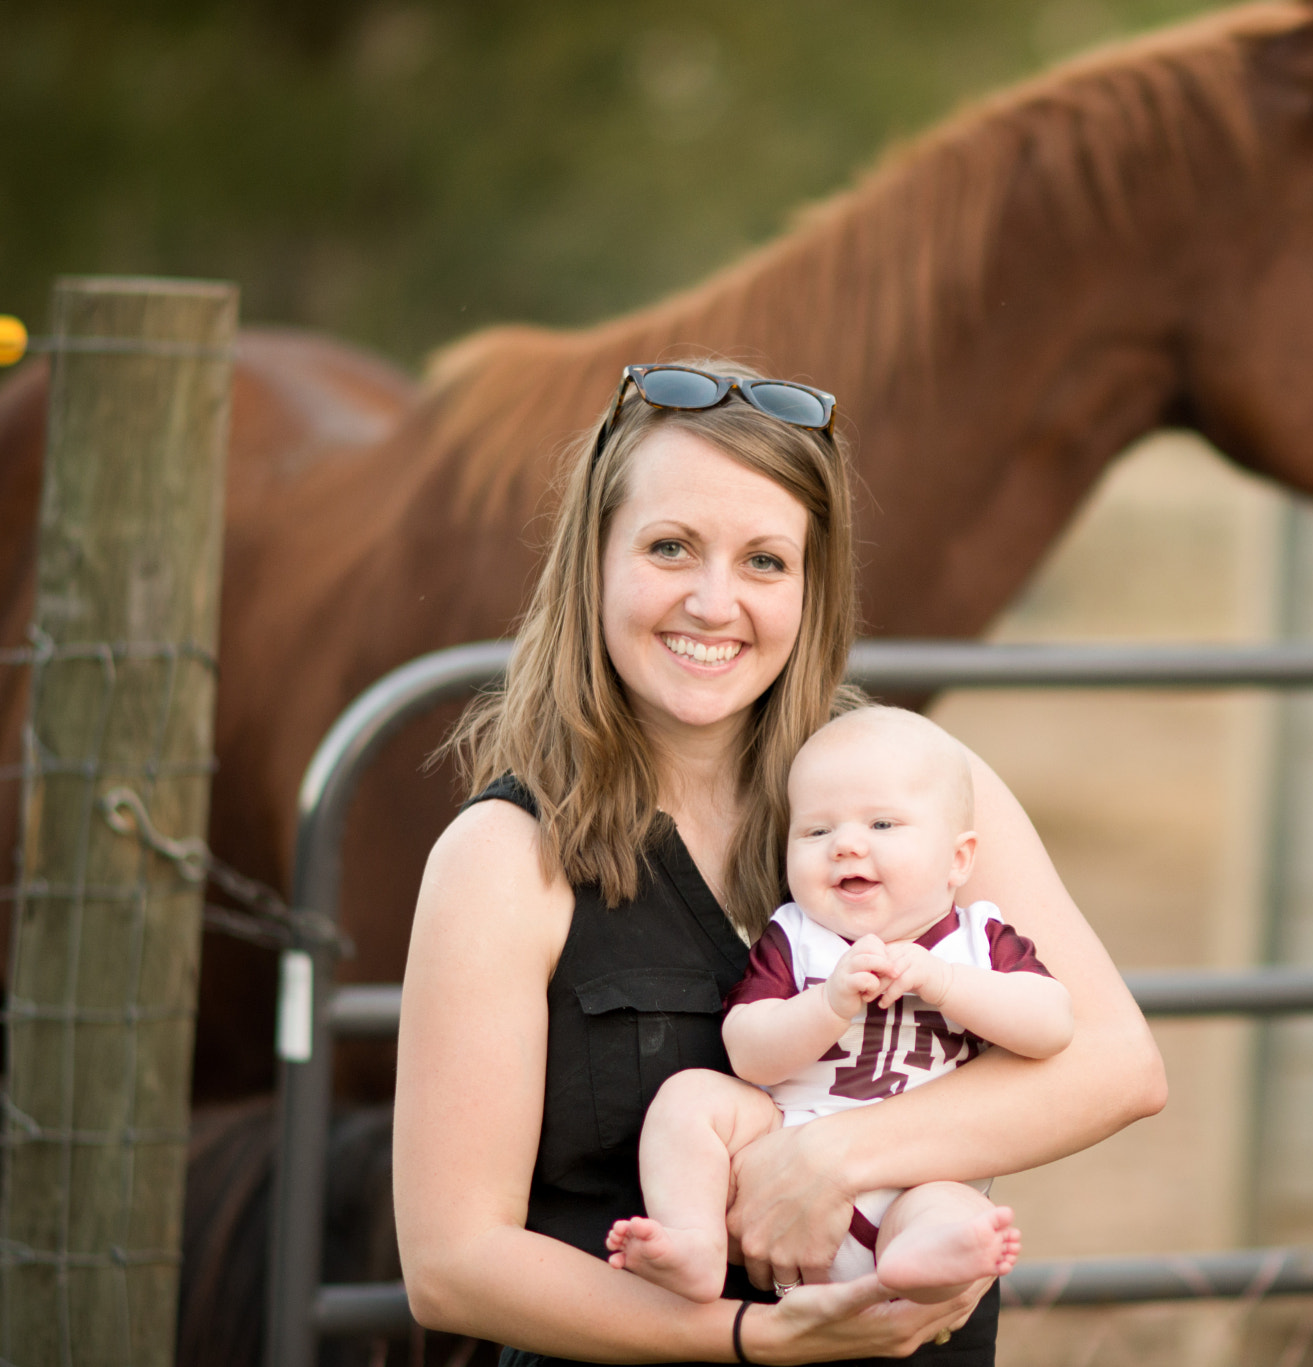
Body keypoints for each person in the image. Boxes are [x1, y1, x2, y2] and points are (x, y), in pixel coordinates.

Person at [392, 360, 1166, 1366]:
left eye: (765, 561)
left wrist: (831, 1156)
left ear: (811, 583)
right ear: (593, 559)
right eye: (670, 547)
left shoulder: (920, 788)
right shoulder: (505, 856)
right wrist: (749, 1335)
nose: (715, 603)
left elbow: (1116, 1062)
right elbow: (451, 1260)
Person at [605, 706, 1073, 1306]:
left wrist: (944, 982)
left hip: (917, 1176)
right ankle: (694, 1241)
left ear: (958, 859)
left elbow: (1052, 1023)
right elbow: (748, 1051)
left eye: (881, 825)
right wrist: (825, 1005)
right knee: (689, 1099)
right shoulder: (797, 936)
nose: (846, 846)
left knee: (949, 1209)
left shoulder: (977, 940)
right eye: (817, 832)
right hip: (780, 1150)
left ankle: (919, 1261)